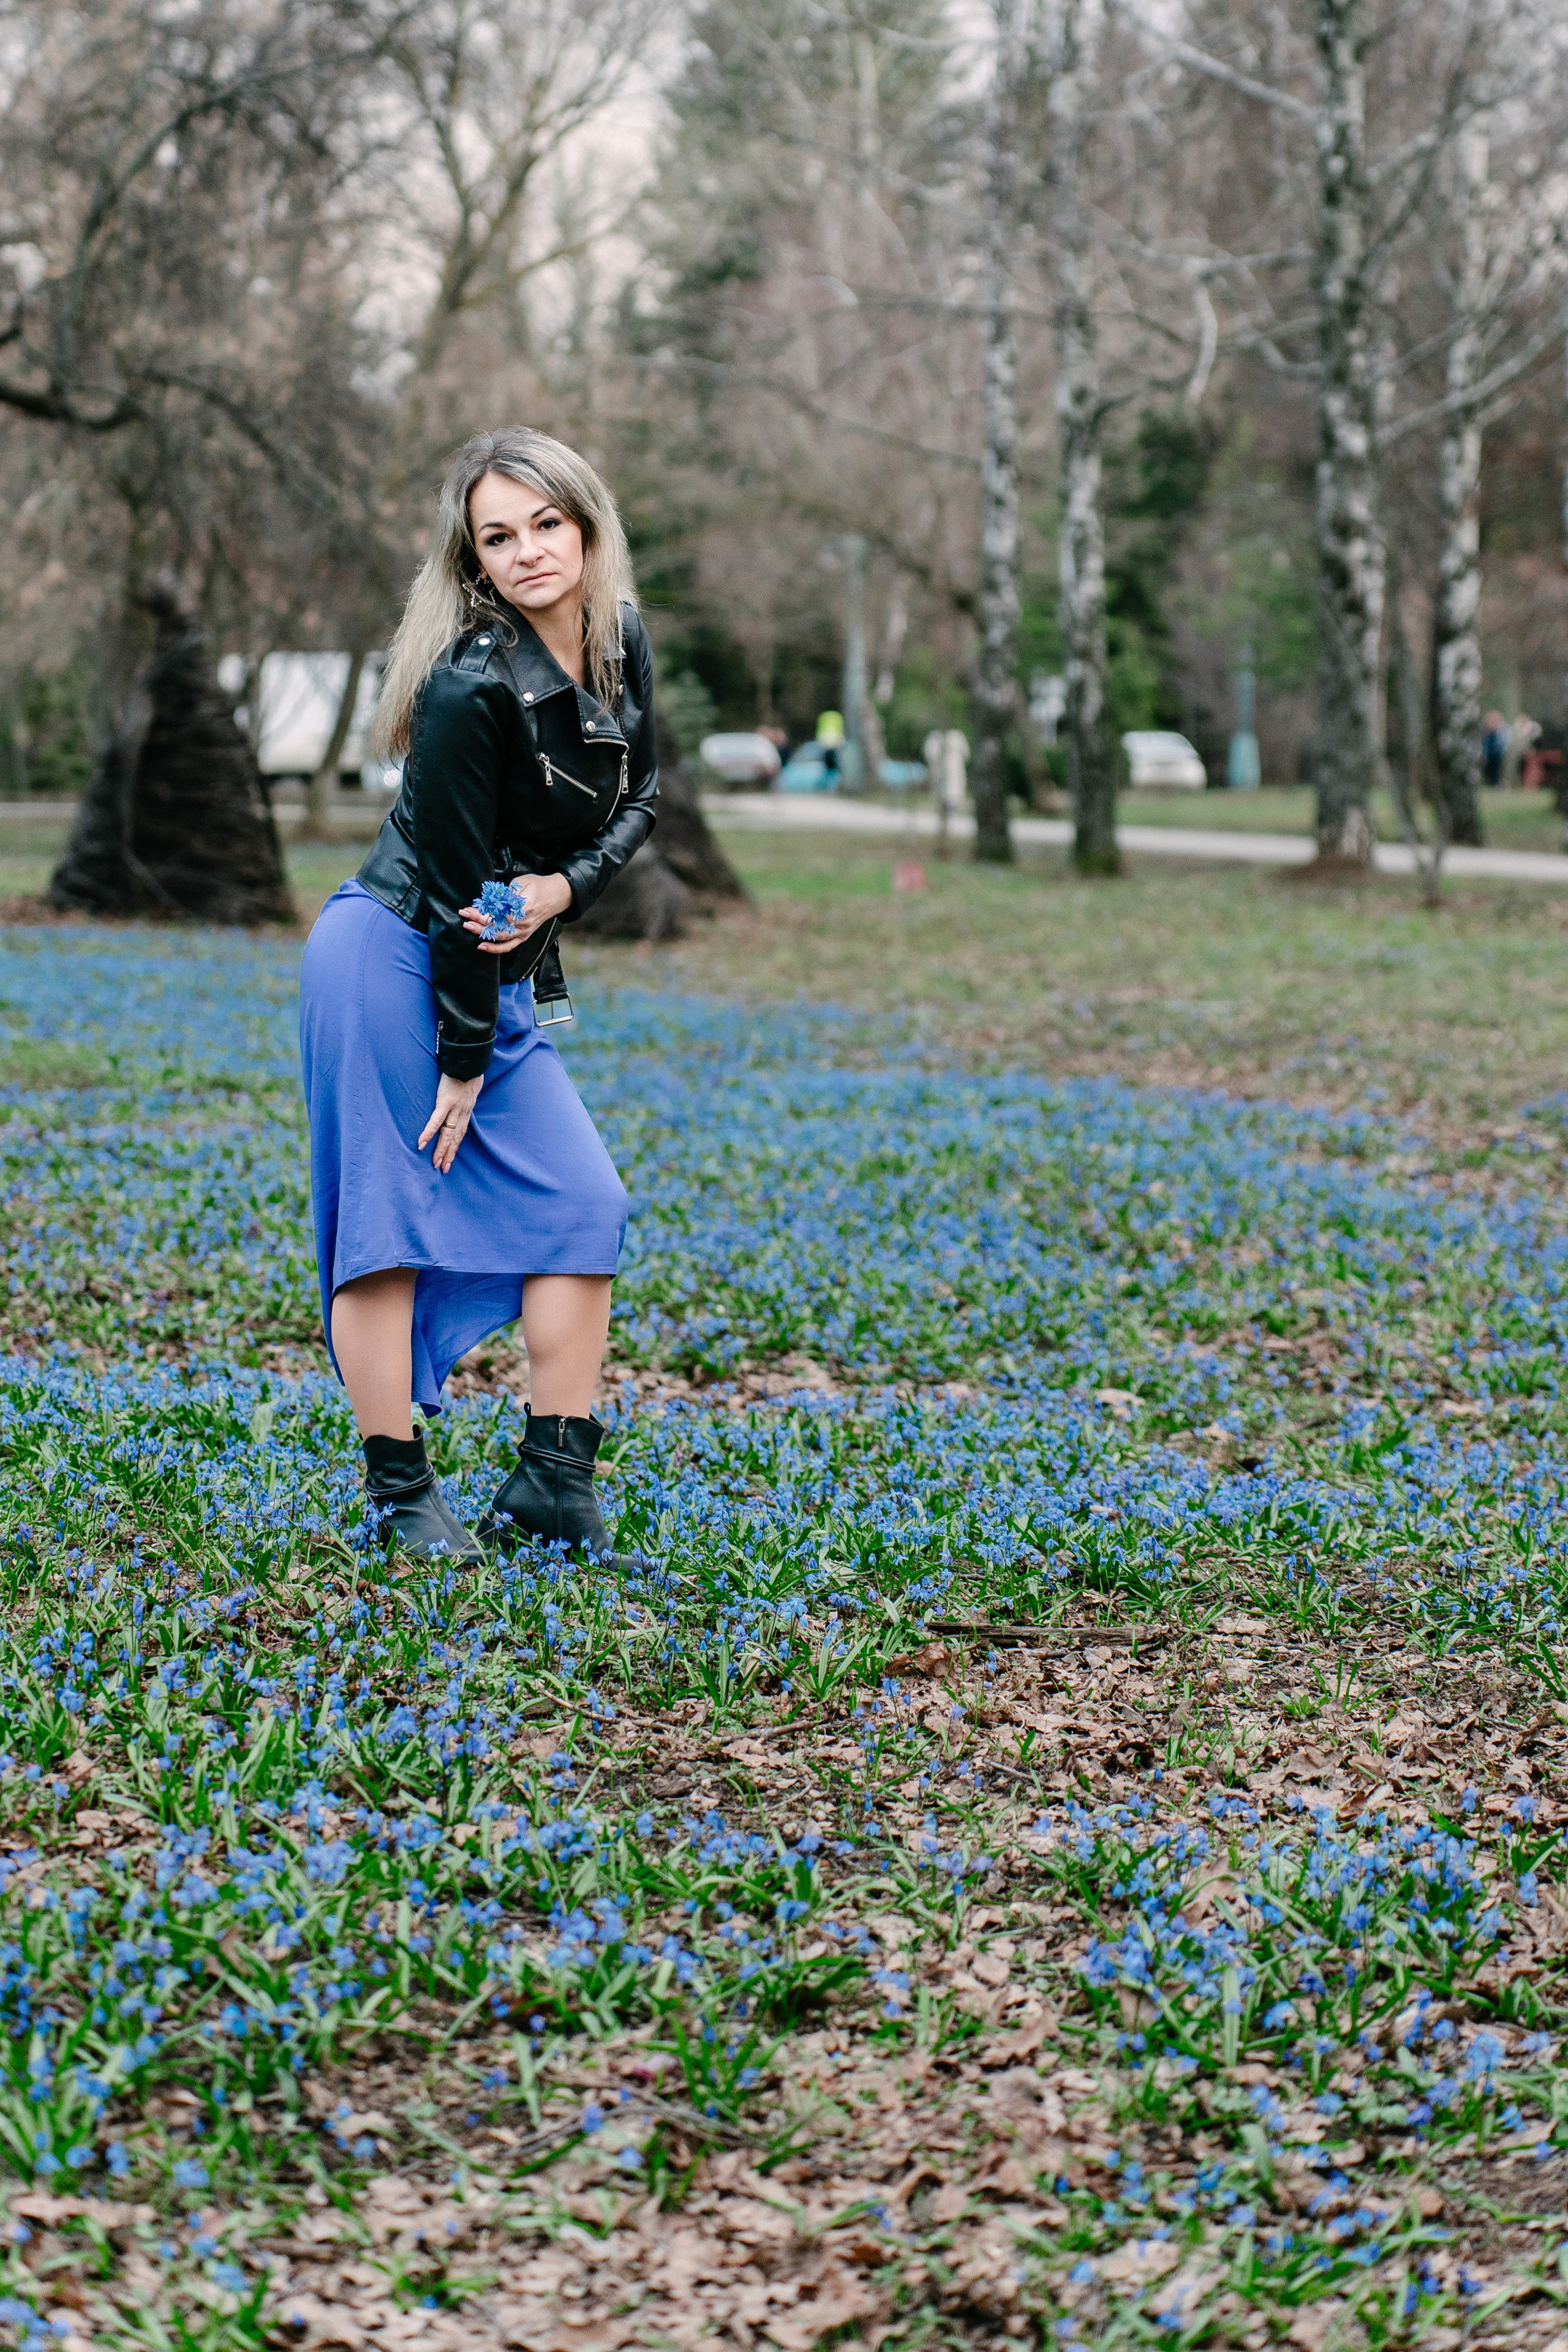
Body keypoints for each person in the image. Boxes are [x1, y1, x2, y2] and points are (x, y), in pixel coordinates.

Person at [298, 428, 657, 1562]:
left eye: (547, 524)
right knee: (389, 1225)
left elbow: (642, 794)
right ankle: (401, 1496)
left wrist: (564, 887)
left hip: (488, 963)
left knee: (585, 1202)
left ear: (587, 527)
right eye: (498, 537)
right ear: (475, 561)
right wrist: (463, 1060)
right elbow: (456, 895)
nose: (529, 551)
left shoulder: (618, 641)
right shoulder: (468, 684)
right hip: (391, 956)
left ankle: (554, 1481)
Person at [1480, 710, 1508, 791]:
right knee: (1488, 769)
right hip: (1489, 754)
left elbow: (1502, 742)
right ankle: (1489, 783)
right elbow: (1485, 744)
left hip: (1497, 754)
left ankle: (1495, 783)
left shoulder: (1501, 731)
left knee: (1496, 770)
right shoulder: (1486, 732)